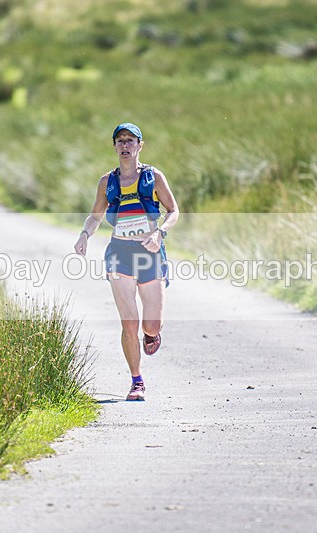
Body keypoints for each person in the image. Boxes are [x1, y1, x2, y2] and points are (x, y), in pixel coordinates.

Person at [74, 123, 179, 401]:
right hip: (119, 253)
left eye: (130, 141)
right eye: (119, 141)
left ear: (139, 145)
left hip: (150, 252)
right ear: (114, 146)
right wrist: (85, 234)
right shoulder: (107, 182)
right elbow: (96, 215)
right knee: (129, 322)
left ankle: (151, 335)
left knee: (151, 325)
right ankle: (137, 381)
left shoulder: (153, 176)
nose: (124, 145)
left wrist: (160, 233)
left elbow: (173, 210)